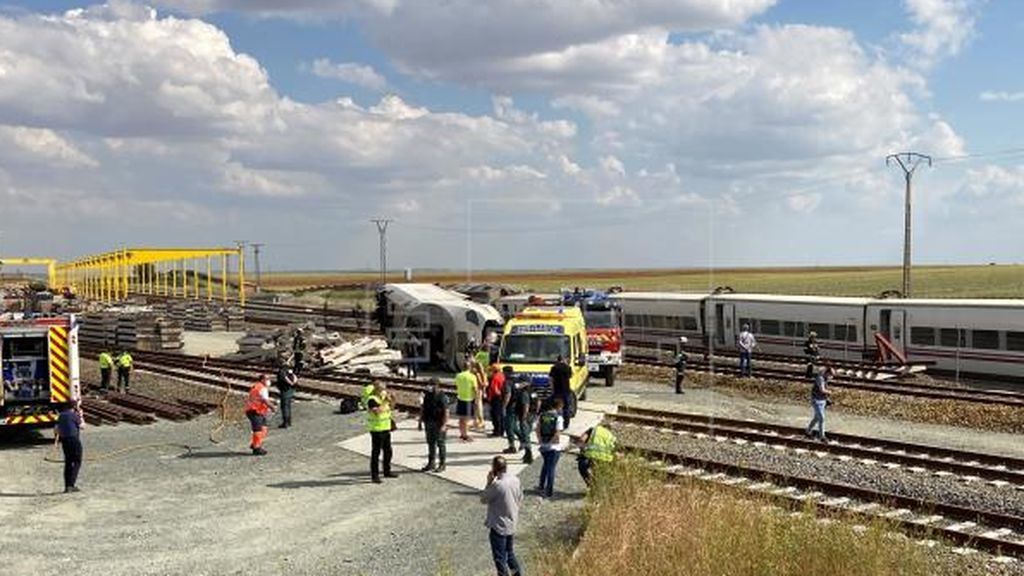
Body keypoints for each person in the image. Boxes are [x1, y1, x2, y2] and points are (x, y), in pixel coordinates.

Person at [480, 456, 524, 576]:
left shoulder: (498, 485)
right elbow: (520, 498)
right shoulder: (516, 480)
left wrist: (489, 482)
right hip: (511, 523)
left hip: (499, 526)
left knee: (499, 558)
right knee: (509, 553)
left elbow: (483, 499)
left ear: (494, 469)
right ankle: (517, 574)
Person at [366, 382, 398, 483]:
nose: (383, 391)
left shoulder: (383, 397)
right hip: (376, 429)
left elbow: (392, 408)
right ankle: (374, 475)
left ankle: (387, 471)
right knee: (376, 453)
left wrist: (393, 399)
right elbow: (376, 412)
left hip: (385, 428)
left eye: (384, 389)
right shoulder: (372, 399)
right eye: (381, 390)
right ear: (376, 390)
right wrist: (385, 402)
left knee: (388, 451)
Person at [536, 397, 564, 498]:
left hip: (543, 446)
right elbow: (557, 433)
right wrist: (551, 442)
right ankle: (549, 491)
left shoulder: (542, 415)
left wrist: (541, 441)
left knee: (545, 465)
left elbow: (537, 429)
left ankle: (541, 486)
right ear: (559, 406)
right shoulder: (558, 417)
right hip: (554, 447)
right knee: (551, 468)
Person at [419, 378, 448, 473]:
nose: (430, 386)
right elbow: (423, 408)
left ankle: (442, 464)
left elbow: (446, 411)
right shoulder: (427, 395)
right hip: (428, 422)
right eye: (429, 384)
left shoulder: (442, 396)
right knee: (430, 443)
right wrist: (420, 421)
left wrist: (444, 424)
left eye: (432, 385)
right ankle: (431, 463)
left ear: (437, 385)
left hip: (438, 423)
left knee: (440, 443)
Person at [56, 400, 84, 493]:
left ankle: (67, 486)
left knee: (68, 463)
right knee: (77, 461)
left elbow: (56, 430)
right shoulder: (73, 415)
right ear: (74, 407)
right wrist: (81, 416)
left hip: (64, 441)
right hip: (74, 440)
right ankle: (71, 485)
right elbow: (83, 426)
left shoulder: (61, 415)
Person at [245, 374, 276, 456]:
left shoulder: (256, 386)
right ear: (262, 380)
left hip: (256, 411)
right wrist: (272, 407)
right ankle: (256, 448)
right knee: (258, 430)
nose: (269, 381)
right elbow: (265, 401)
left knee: (263, 428)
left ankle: (255, 443)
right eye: (267, 379)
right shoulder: (262, 388)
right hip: (255, 411)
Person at [806, 366, 833, 442]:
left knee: (817, 418)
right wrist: (829, 392)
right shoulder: (820, 379)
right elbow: (822, 390)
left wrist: (827, 399)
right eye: (831, 375)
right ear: (827, 373)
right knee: (821, 418)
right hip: (816, 401)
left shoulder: (825, 379)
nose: (831, 377)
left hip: (822, 401)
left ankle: (808, 431)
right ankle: (822, 436)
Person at [454, 357, 477, 442]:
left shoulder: (458, 376)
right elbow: (475, 388)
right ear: (469, 367)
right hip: (469, 399)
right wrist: (477, 399)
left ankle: (462, 433)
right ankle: (466, 435)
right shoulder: (472, 377)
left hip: (460, 398)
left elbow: (456, 385)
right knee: (467, 419)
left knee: (461, 418)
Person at [548, 354, 573, 429]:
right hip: (566, 391)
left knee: (557, 407)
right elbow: (570, 376)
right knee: (566, 408)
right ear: (563, 359)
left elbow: (551, 380)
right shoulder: (568, 367)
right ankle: (566, 424)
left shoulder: (554, 368)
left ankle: (557, 424)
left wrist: (552, 389)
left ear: (557, 360)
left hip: (557, 391)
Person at [486, 363, 506, 437]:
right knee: (501, 415)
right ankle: (501, 431)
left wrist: (490, 398)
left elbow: (494, 389)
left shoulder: (495, 377)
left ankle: (496, 431)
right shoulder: (502, 375)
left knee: (495, 415)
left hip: (496, 398)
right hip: (501, 397)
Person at [275, 364, 298, 429]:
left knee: (284, 407)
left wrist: (290, 383)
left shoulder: (282, 371)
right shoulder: (289, 370)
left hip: (285, 390)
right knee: (288, 406)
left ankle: (285, 423)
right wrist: (293, 384)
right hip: (290, 390)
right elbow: (295, 377)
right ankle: (289, 421)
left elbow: (284, 378)